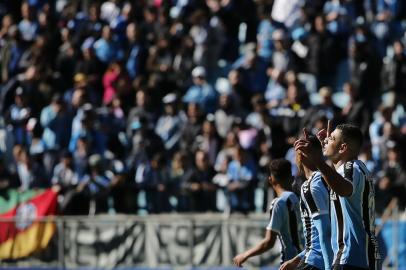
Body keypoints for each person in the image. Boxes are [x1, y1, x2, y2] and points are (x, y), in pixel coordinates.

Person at [295, 123, 380, 269]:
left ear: (342, 148)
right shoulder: (353, 168)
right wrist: (326, 148)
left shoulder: (351, 168)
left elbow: (343, 188)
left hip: (353, 256)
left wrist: (317, 160)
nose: (327, 140)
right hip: (361, 256)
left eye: (332, 138)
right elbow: (337, 176)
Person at [233, 158, 302, 267]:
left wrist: (245, 255)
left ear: (270, 180)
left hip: (289, 263)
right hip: (305, 259)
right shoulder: (299, 199)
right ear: (292, 179)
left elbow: (269, 242)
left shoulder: (278, 203)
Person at [281, 134, 333, 270]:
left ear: (301, 154)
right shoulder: (327, 179)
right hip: (317, 257)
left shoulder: (311, 185)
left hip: (317, 262)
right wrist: (295, 260)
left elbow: (325, 232)